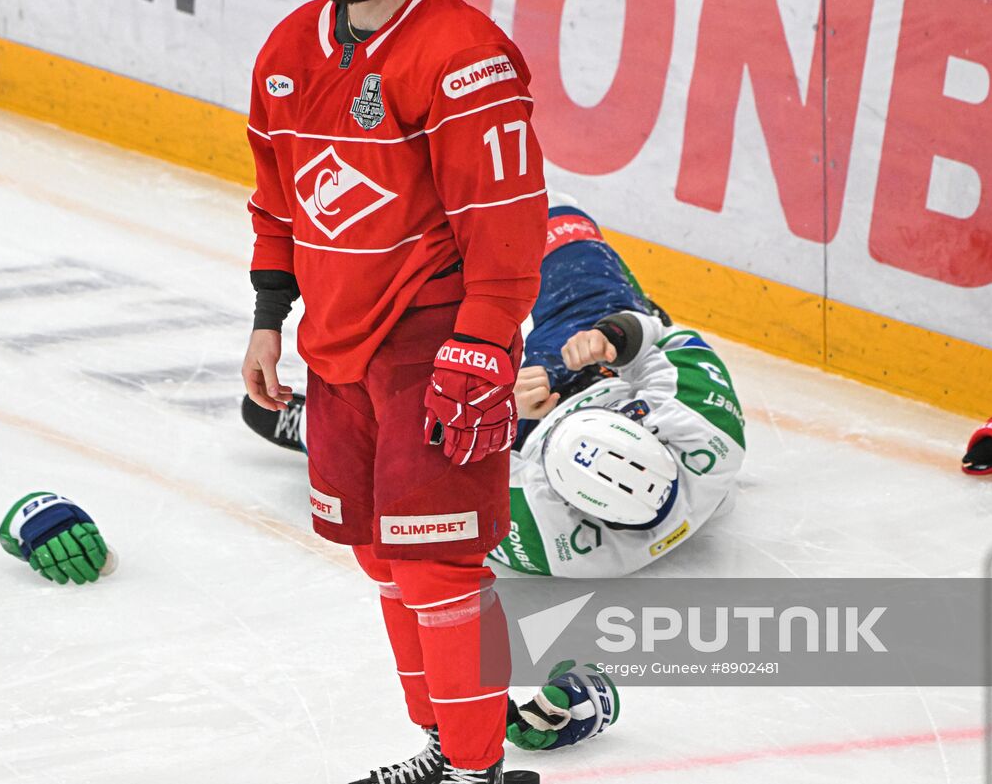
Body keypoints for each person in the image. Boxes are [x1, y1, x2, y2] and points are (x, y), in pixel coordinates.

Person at [240, 0, 548, 784]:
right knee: (380, 555)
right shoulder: (290, 48)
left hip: (431, 338)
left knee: (441, 565)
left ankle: (475, 769)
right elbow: (278, 200)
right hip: (335, 345)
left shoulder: (465, 58)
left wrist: (483, 347)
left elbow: (506, 226)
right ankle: (441, 747)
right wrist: (266, 317)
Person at [244, 200, 746, 581]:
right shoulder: (708, 432)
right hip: (598, 371)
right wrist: (613, 339)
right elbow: (669, 341)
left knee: (402, 442)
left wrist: (508, 417)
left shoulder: (554, 540)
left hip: (523, 434)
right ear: (653, 438)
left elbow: (446, 489)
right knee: (556, 220)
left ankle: (313, 430)